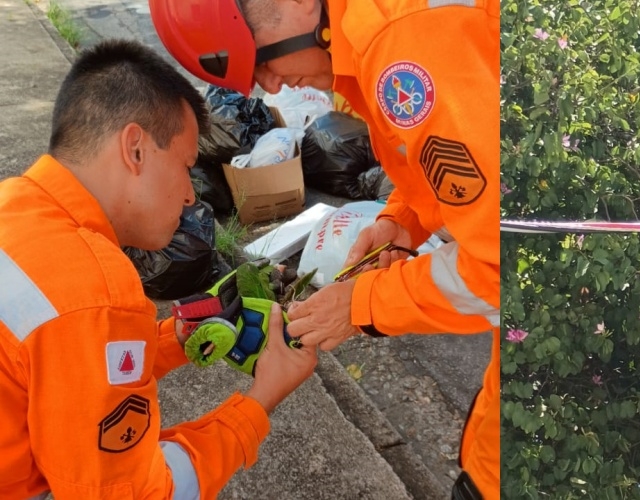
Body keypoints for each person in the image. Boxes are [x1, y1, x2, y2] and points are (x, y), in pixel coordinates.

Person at [149, 1, 500, 497]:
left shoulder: (407, 49)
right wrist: (403, 220)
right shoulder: (378, 30)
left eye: (261, 59)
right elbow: (462, 165)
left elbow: (507, 267)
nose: (269, 86)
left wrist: (362, 304)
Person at [0, 39, 317, 499]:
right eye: (187, 166)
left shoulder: (14, 205)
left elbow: (57, 356)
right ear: (135, 149)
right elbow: (141, 493)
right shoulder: (95, 290)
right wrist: (260, 401)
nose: (191, 196)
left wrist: (174, 340)